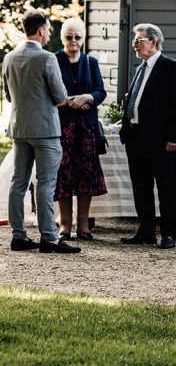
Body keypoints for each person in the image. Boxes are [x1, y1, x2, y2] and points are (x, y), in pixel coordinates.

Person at [2, 10, 80, 253]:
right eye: (48, 30)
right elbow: (59, 97)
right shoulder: (47, 58)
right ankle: (49, 237)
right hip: (45, 129)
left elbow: (7, 94)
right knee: (46, 183)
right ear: (41, 31)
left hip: (20, 127)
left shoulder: (9, 57)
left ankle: (19, 235)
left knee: (19, 182)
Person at [119, 23, 176, 249]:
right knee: (141, 186)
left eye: (139, 40)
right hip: (136, 136)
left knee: (166, 187)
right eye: (135, 41)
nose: (135, 45)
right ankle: (146, 230)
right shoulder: (141, 68)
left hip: (161, 139)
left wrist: (174, 138)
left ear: (154, 41)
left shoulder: (170, 67)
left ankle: (169, 233)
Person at [54, 17, 107, 241]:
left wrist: (87, 97)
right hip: (63, 127)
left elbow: (100, 91)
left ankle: (83, 225)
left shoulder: (90, 62)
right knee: (63, 174)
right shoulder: (54, 60)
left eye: (77, 37)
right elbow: (49, 91)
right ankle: (65, 225)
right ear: (62, 38)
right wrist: (67, 101)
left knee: (86, 176)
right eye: (69, 37)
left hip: (86, 129)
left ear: (83, 39)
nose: (73, 41)